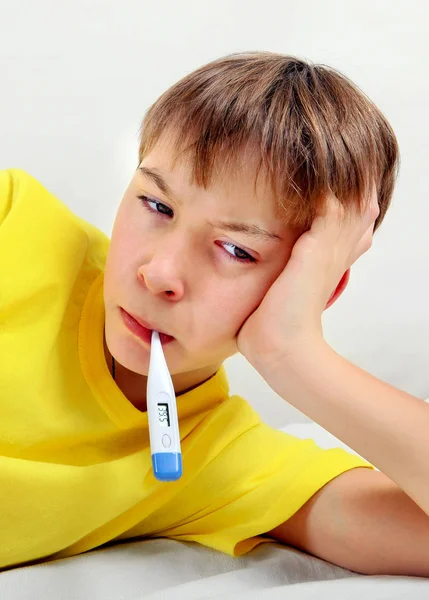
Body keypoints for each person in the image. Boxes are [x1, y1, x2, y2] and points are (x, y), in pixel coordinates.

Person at [1, 51, 428, 576]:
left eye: (236, 250)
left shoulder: (212, 462)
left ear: (307, 287)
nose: (159, 274)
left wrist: (295, 355)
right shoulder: (13, 221)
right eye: (156, 205)